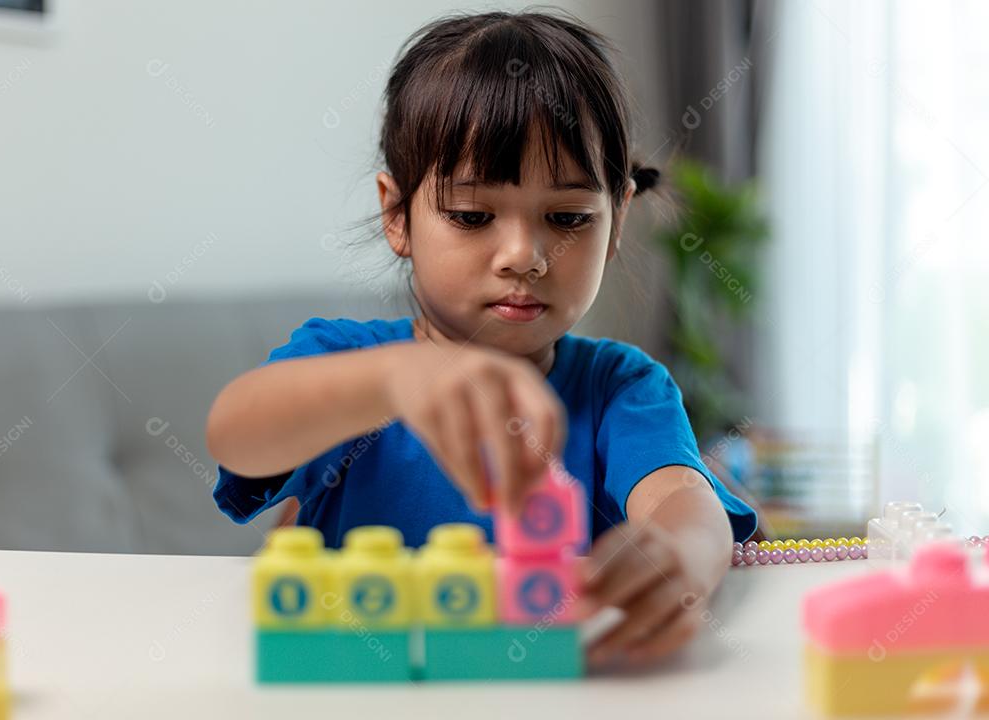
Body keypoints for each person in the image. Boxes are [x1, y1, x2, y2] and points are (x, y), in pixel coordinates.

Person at [207, 9, 757, 667]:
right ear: (396, 214)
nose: (524, 255)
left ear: (617, 222)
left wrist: (679, 561)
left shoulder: (621, 389)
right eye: (472, 215)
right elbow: (234, 433)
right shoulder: (345, 363)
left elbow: (683, 502)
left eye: (567, 217)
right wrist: (391, 380)